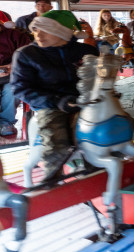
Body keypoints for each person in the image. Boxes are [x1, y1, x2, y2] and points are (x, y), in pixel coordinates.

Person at [10, 10, 98, 181]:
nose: (38, 35)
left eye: (46, 30)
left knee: (117, 120)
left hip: (87, 101)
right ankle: (52, 176)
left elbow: (97, 77)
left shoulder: (86, 51)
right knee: (56, 137)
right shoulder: (26, 54)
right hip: (50, 105)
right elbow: (21, 88)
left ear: (63, 33)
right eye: (36, 30)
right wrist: (57, 101)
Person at [0, 11, 31, 137]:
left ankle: (6, 122)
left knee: (11, 90)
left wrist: (11, 67)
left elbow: (28, 55)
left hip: (14, 75)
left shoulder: (16, 36)